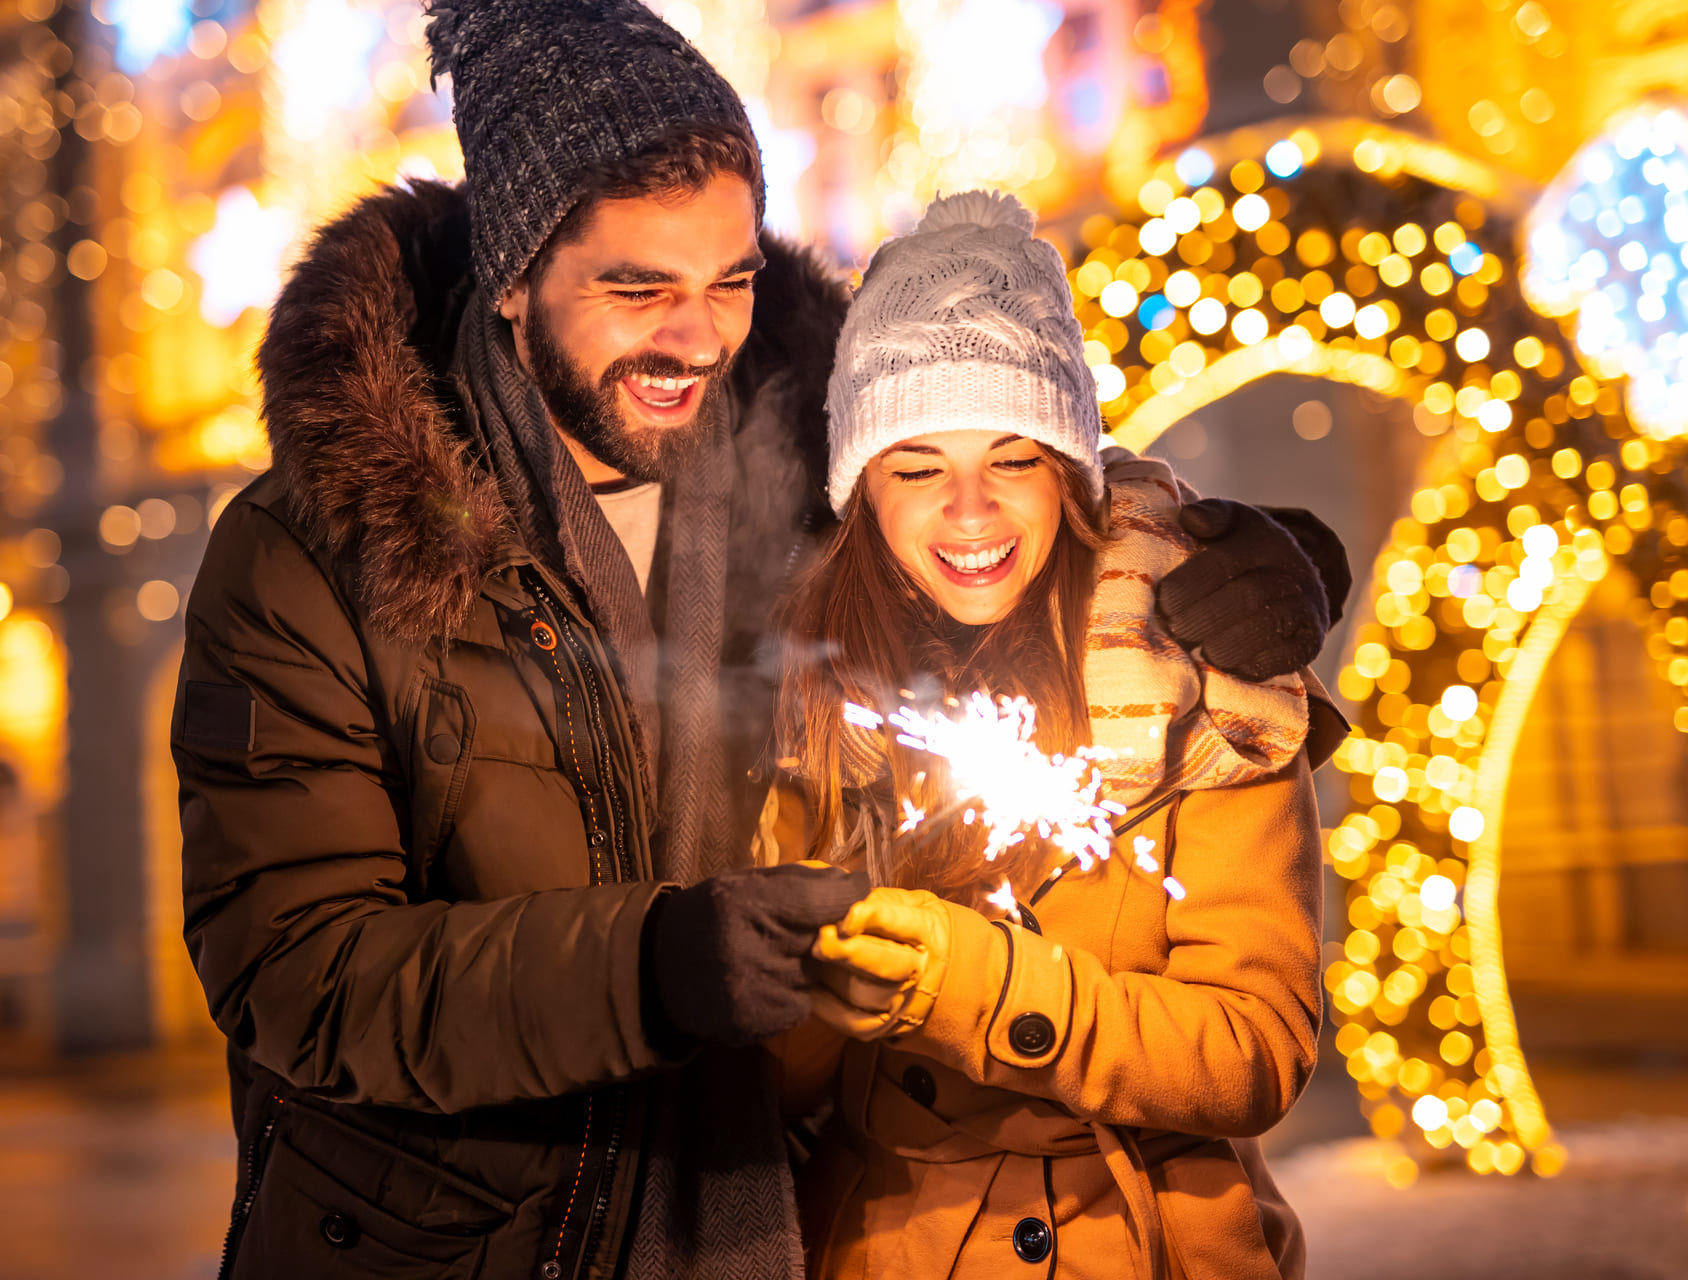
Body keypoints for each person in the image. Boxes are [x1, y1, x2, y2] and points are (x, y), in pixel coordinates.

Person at [171, 3, 1347, 1277]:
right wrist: (654, 966)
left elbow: (993, 481)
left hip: (776, 1220)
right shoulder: (316, 552)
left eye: (729, 280)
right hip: (459, 1240)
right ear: (514, 277)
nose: (698, 339)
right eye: (638, 289)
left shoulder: (809, 471)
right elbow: (301, 975)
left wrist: (1243, 554)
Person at [771, 192, 1345, 1280]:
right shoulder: (811, 704)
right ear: (862, 493)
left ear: (1073, 471)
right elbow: (760, 1082)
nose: (972, 510)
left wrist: (977, 987)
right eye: (918, 465)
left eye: (1015, 458)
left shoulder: (1202, 677)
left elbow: (1258, 1047)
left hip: (1146, 1240)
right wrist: (809, 988)